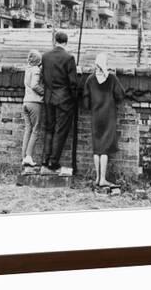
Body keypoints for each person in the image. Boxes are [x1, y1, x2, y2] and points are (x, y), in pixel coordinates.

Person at [82, 52, 125, 187]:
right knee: (105, 148)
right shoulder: (111, 78)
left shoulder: (90, 79)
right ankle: (103, 179)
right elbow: (120, 95)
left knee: (97, 147)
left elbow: (86, 102)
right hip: (109, 115)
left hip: (96, 115)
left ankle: (97, 178)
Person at [41, 31, 78, 172]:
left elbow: (44, 77)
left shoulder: (45, 57)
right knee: (60, 130)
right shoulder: (69, 58)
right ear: (66, 42)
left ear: (55, 41)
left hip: (48, 98)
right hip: (63, 100)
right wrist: (74, 99)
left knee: (49, 129)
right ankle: (53, 162)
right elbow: (73, 83)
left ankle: (45, 159)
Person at [21, 50, 44, 167]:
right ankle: (29, 156)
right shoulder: (36, 70)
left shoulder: (27, 69)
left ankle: (24, 157)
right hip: (34, 102)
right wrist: (44, 93)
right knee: (35, 130)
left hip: (25, 102)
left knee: (28, 129)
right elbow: (35, 85)